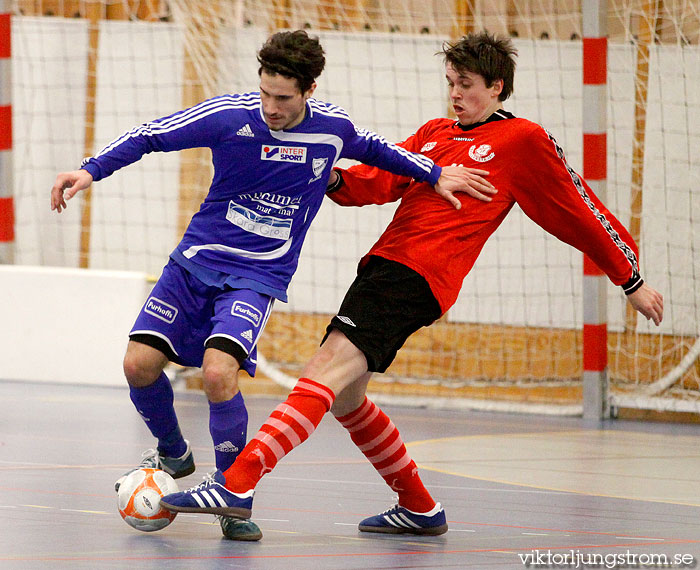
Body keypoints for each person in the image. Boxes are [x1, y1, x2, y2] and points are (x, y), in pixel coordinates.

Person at [158, 31, 664, 537]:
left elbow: (577, 211)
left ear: (497, 87)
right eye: (450, 83)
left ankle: (238, 483)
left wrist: (630, 278)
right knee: (346, 398)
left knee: (324, 371)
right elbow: (379, 180)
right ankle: (420, 507)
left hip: (417, 277)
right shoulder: (435, 133)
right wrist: (326, 176)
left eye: (466, 85)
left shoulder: (523, 141)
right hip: (382, 268)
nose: (455, 94)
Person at [49, 30, 488, 541]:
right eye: (265, 94)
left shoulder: (331, 130)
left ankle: (231, 497)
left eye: (283, 98)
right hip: (196, 260)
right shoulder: (230, 116)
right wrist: (89, 171)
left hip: (259, 275)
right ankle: (174, 452)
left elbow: (381, 151)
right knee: (138, 366)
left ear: (309, 90)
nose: (271, 108)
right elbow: (151, 134)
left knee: (218, 374)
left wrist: (436, 173)